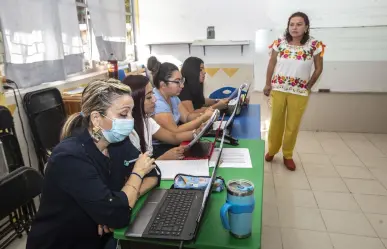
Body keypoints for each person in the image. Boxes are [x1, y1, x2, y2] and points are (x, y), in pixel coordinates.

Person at [26, 79, 158, 249]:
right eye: (124, 114)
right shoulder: (69, 158)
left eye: (132, 113)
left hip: (98, 237)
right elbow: (119, 215)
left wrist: (126, 199)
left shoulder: (117, 142)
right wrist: (136, 175)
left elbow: (154, 173)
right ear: (96, 118)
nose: (131, 120)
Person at [263, 12, 325, 171]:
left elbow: (318, 68)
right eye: (292, 24)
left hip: (299, 92)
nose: (294, 28)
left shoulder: (314, 45)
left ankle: (288, 155)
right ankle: (272, 150)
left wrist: (309, 85)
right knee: (276, 122)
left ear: (306, 27)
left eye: (299, 24)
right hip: (279, 89)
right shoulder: (280, 43)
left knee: (292, 125)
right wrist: (267, 84)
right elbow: (271, 64)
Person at [122, 75, 202, 160]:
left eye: (152, 94)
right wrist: (163, 158)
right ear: (134, 101)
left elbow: (173, 137)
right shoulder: (128, 132)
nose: (154, 100)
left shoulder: (147, 120)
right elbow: (136, 170)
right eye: (149, 97)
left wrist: (196, 133)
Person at [147, 57, 214, 155]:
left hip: (174, 143)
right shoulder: (157, 103)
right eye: (177, 82)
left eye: (181, 81)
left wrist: (207, 113)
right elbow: (175, 132)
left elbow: (187, 117)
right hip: (160, 149)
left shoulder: (173, 97)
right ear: (163, 84)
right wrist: (202, 118)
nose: (182, 85)